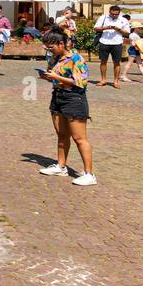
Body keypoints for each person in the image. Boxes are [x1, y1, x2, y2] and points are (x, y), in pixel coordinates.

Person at [36, 30, 96, 186]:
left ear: (61, 44)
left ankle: (89, 174)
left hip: (74, 98)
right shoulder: (55, 58)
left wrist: (57, 77)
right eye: (47, 48)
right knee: (61, 134)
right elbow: (55, 77)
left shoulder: (77, 58)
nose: (50, 51)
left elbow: (81, 82)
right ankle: (61, 166)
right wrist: (48, 77)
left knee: (79, 138)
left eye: (51, 47)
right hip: (58, 96)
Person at [93, 4, 130, 88]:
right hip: (104, 42)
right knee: (103, 61)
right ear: (109, 12)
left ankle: (116, 81)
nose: (114, 16)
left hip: (117, 43)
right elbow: (95, 28)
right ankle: (103, 80)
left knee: (117, 62)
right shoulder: (103, 17)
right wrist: (106, 27)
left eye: (116, 14)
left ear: (119, 13)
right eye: (112, 14)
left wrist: (118, 29)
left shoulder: (123, 20)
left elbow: (127, 32)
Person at [120, 15, 143, 83]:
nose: (140, 29)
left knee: (139, 64)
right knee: (130, 64)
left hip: (136, 50)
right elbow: (133, 44)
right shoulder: (133, 35)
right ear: (135, 28)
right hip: (134, 50)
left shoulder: (134, 34)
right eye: (139, 27)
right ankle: (123, 75)